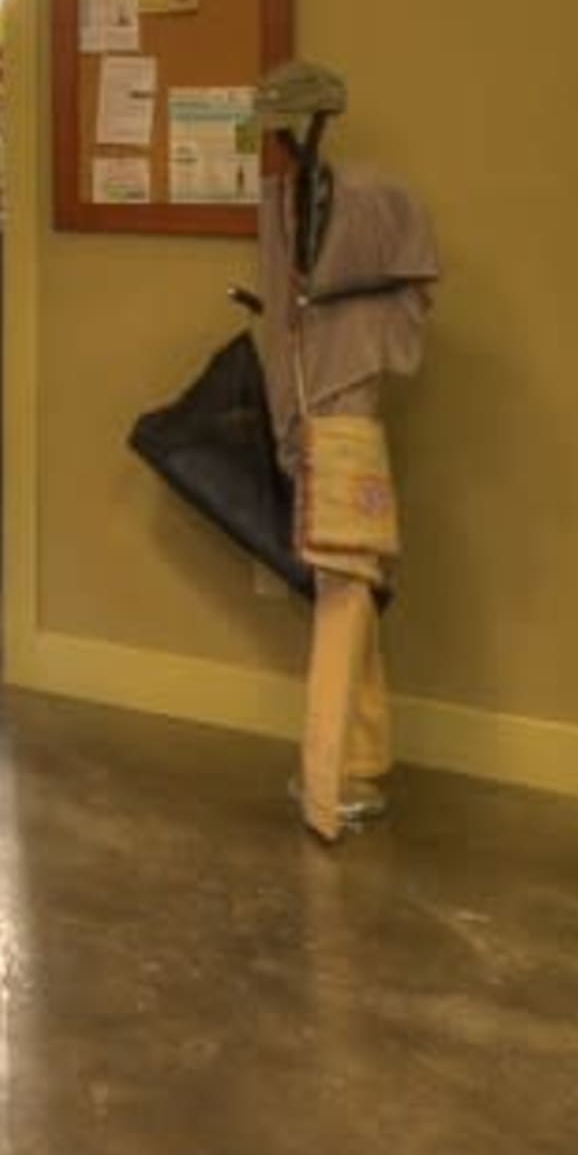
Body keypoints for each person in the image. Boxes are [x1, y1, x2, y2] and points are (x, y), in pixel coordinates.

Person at [242, 60, 440, 844]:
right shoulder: (315, 204)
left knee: (353, 589)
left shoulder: (346, 204)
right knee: (347, 591)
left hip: (331, 418)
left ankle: (348, 768)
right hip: (334, 422)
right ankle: (337, 774)